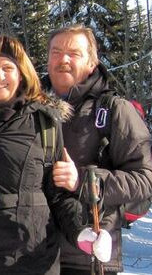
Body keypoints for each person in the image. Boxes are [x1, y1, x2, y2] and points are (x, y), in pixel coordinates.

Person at [0, 35, 109, 275]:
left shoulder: (44, 124)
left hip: (29, 258)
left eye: (7, 68)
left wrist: (82, 232)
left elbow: (58, 196)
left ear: (21, 73)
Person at [43, 24, 152, 275]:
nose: (64, 59)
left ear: (92, 63)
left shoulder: (114, 110)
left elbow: (145, 178)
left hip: (88, 255)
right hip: (30, 251)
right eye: (56, 52)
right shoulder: (28, 107)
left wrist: (83, 180)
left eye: (74, 53)